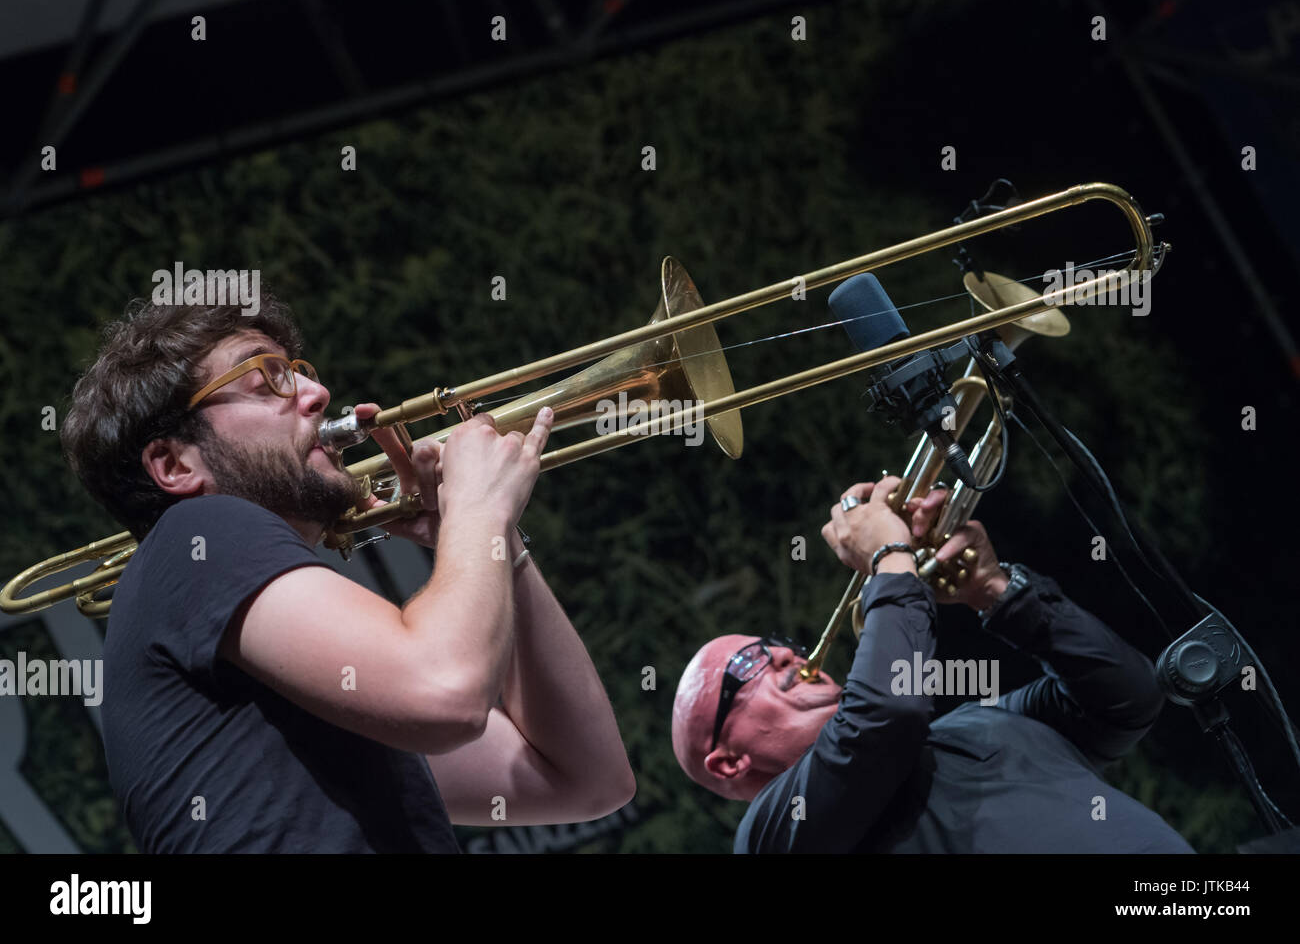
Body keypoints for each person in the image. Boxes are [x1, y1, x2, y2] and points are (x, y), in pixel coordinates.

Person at [61, 291, 635, 852]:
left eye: (300, 372)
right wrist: (478, 509)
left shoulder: (305, 678)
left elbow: (586, 779)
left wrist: (495, 541)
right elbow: (444, 691)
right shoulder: (200, 533)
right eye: (266, 383)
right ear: (174, 463)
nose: (318, 393)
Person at [672, 475, 1194, 853]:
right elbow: (884, 717)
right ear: (728, 761)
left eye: (777, 641)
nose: (786, 653)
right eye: (748, 663)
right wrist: (892, 560)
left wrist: (994, 591)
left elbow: (1128, 697)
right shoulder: (771, 834)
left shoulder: (977, 721)